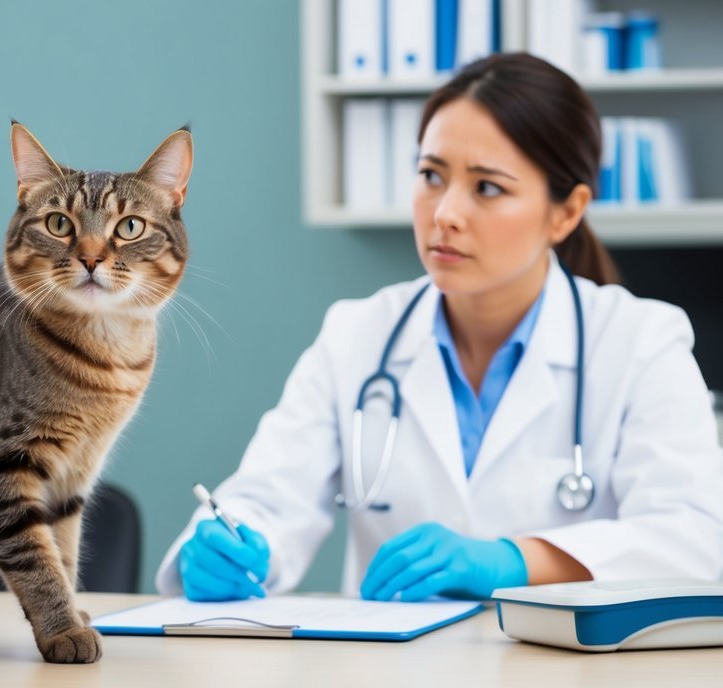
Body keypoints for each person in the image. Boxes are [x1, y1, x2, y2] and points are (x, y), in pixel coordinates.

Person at [157, 53, 723, 602]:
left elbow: (696, 540)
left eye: (488, 187)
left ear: (566, 212)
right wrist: (227, 549)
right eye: (431, 175)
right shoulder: (358, 335)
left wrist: (512, 560)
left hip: (576, 684)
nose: (445, 212)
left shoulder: (639, 341)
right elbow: (268, 500)